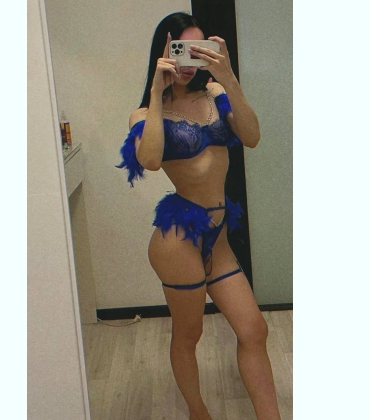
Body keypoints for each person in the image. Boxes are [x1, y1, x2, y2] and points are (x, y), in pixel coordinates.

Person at [117, 12, 281, 420]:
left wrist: (228, 76)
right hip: (178, 239)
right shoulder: (144, 114)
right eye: (181, 50)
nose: (189, 61)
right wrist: (157, 92)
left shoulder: (215, 94)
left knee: (254, 329)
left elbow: (252, 136)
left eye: (197, 50)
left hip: (218, 233)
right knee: (190, 333)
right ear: (164, 51)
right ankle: (198, 413)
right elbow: (150, 160)